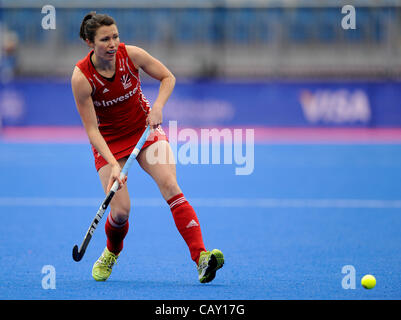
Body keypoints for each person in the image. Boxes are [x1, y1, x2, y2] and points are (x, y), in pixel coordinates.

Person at [71, 12, 224, 283]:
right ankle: (111, 250)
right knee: (120, 212)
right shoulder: (82, 78)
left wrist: (158, 107)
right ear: (89, 43)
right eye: (105, 39)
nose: (113, 43)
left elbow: (168, 78)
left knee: (170, 185)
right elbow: (92, 130)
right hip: (109, 144)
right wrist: (114, 166)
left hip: (144, 132)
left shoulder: (133, 55)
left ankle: (200, 257)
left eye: (115, 36)